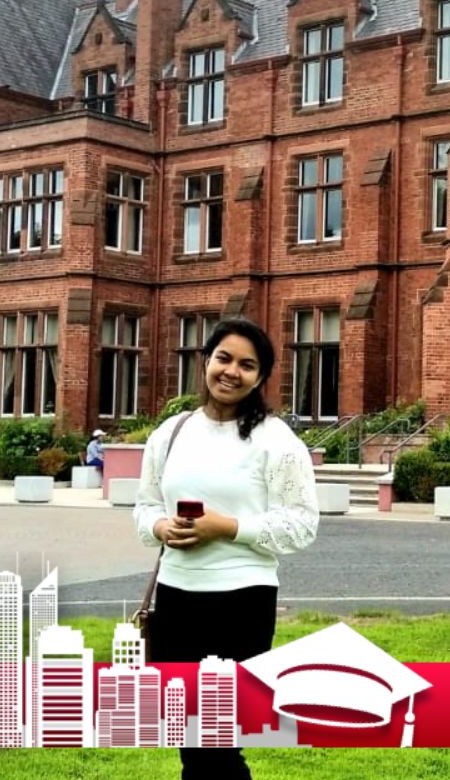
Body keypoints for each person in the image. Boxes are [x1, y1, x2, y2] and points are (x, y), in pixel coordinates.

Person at [133, 317, 320, 779]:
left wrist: (228, 528)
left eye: (247, 365)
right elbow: (145, 505)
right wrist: (160, 527)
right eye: (224, 358)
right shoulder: (172, 432)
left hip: (241, 602)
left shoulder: (275, 440)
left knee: (217, 742)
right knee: (189, 740)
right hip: (175, 598)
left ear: (261, 377)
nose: (232, 371)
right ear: (206, 361)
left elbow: (302, 525)